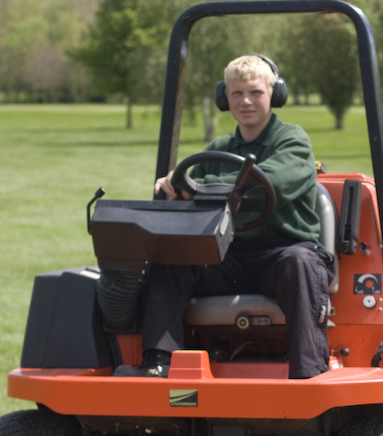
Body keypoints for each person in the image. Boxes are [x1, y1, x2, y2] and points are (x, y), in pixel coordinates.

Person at [132, 54, 333, 379]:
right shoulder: (220, 147)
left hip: (283, 253)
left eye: (255, 92)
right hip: (228, 257)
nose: (246, 101)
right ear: (224, 98)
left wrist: (197, 186)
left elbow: (269, 183)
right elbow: (191, 192)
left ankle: (307, 375)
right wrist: (173, 186)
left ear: (274, 94)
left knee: (301, 263)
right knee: (169, 257)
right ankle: (158, 363)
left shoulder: (293, 141)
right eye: (237, 93)